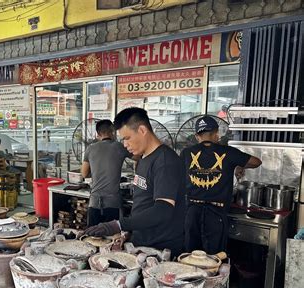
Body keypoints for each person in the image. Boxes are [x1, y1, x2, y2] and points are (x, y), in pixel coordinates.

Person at [82, 108, 186, 257]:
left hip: (161, 249)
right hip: (142, 242)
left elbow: (163, 210)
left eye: (127, 138)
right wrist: (128, 232)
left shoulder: (165, 161)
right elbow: (142, 204)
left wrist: (119, 224)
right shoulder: (143, 158)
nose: (124, 145)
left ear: (142, 130)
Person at [181, 115, 262, 254]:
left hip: (192, 213)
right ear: (216, 134)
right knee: (214, 259)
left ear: (196, 136)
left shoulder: (186, 153)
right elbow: (256, 162)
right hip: (216, 215)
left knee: (190, 256)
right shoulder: (228, 152)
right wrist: (239, 164)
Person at [81, 119, 131, 226]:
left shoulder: (90, 148)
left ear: (98, 134)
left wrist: (96, 173)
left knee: (92, 237)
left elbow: (84, 173)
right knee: (112, 238)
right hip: (113, 204)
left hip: (94, 203)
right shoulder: (119, 147)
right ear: (113, 131)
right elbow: (138, 156)